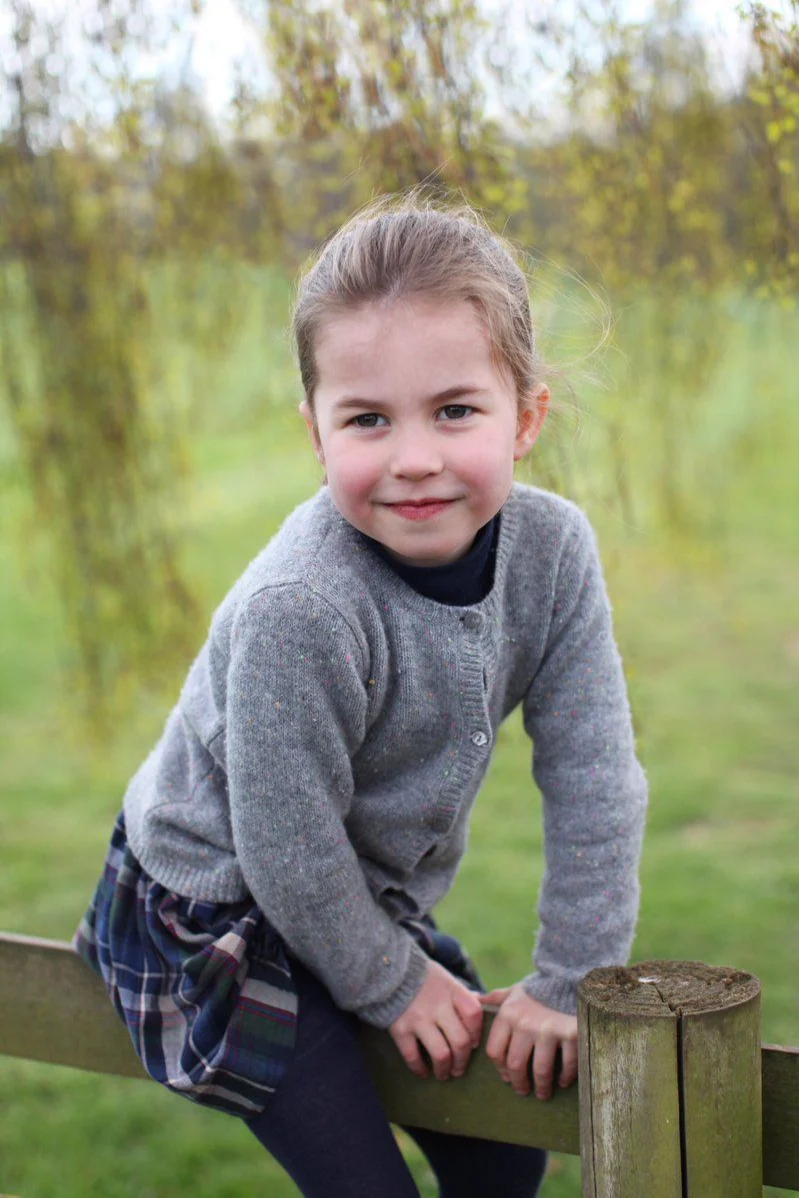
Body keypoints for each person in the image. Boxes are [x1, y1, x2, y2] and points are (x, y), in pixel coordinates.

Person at [74, 191, 648, 1198]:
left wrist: (567, 980)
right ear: (316, 433)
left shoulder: (552, 555)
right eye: (368, 419)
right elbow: (283, 844)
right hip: (213, 909)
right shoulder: (302, 607)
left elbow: (594, 778)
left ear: (526, 416)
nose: (414, 459)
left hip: (350, 892)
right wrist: (393, 982)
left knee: (505, 1150)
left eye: (455, 409)